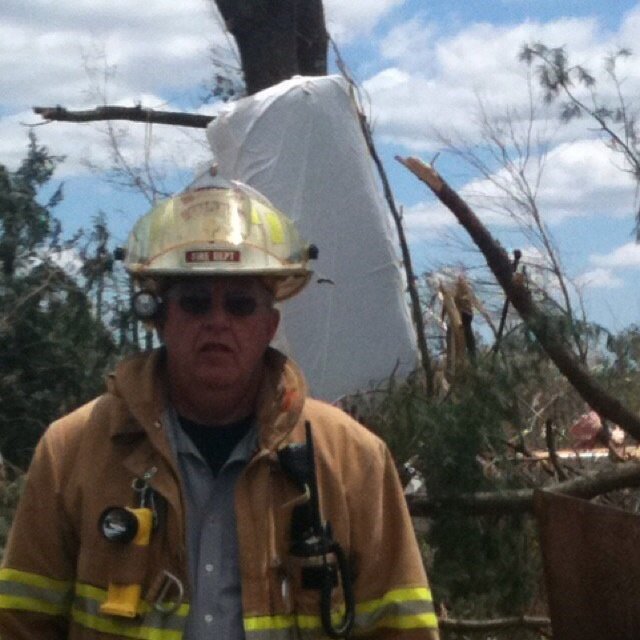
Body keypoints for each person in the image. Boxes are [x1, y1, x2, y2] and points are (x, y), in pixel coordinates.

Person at [0, 174, 440, 639]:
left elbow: (402, 629)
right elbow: (21, 625)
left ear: (269, 325)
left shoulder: (353, 460)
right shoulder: (73, 450)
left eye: (239, 305)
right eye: (193, 303)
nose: (217, 323)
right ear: (160, 318)